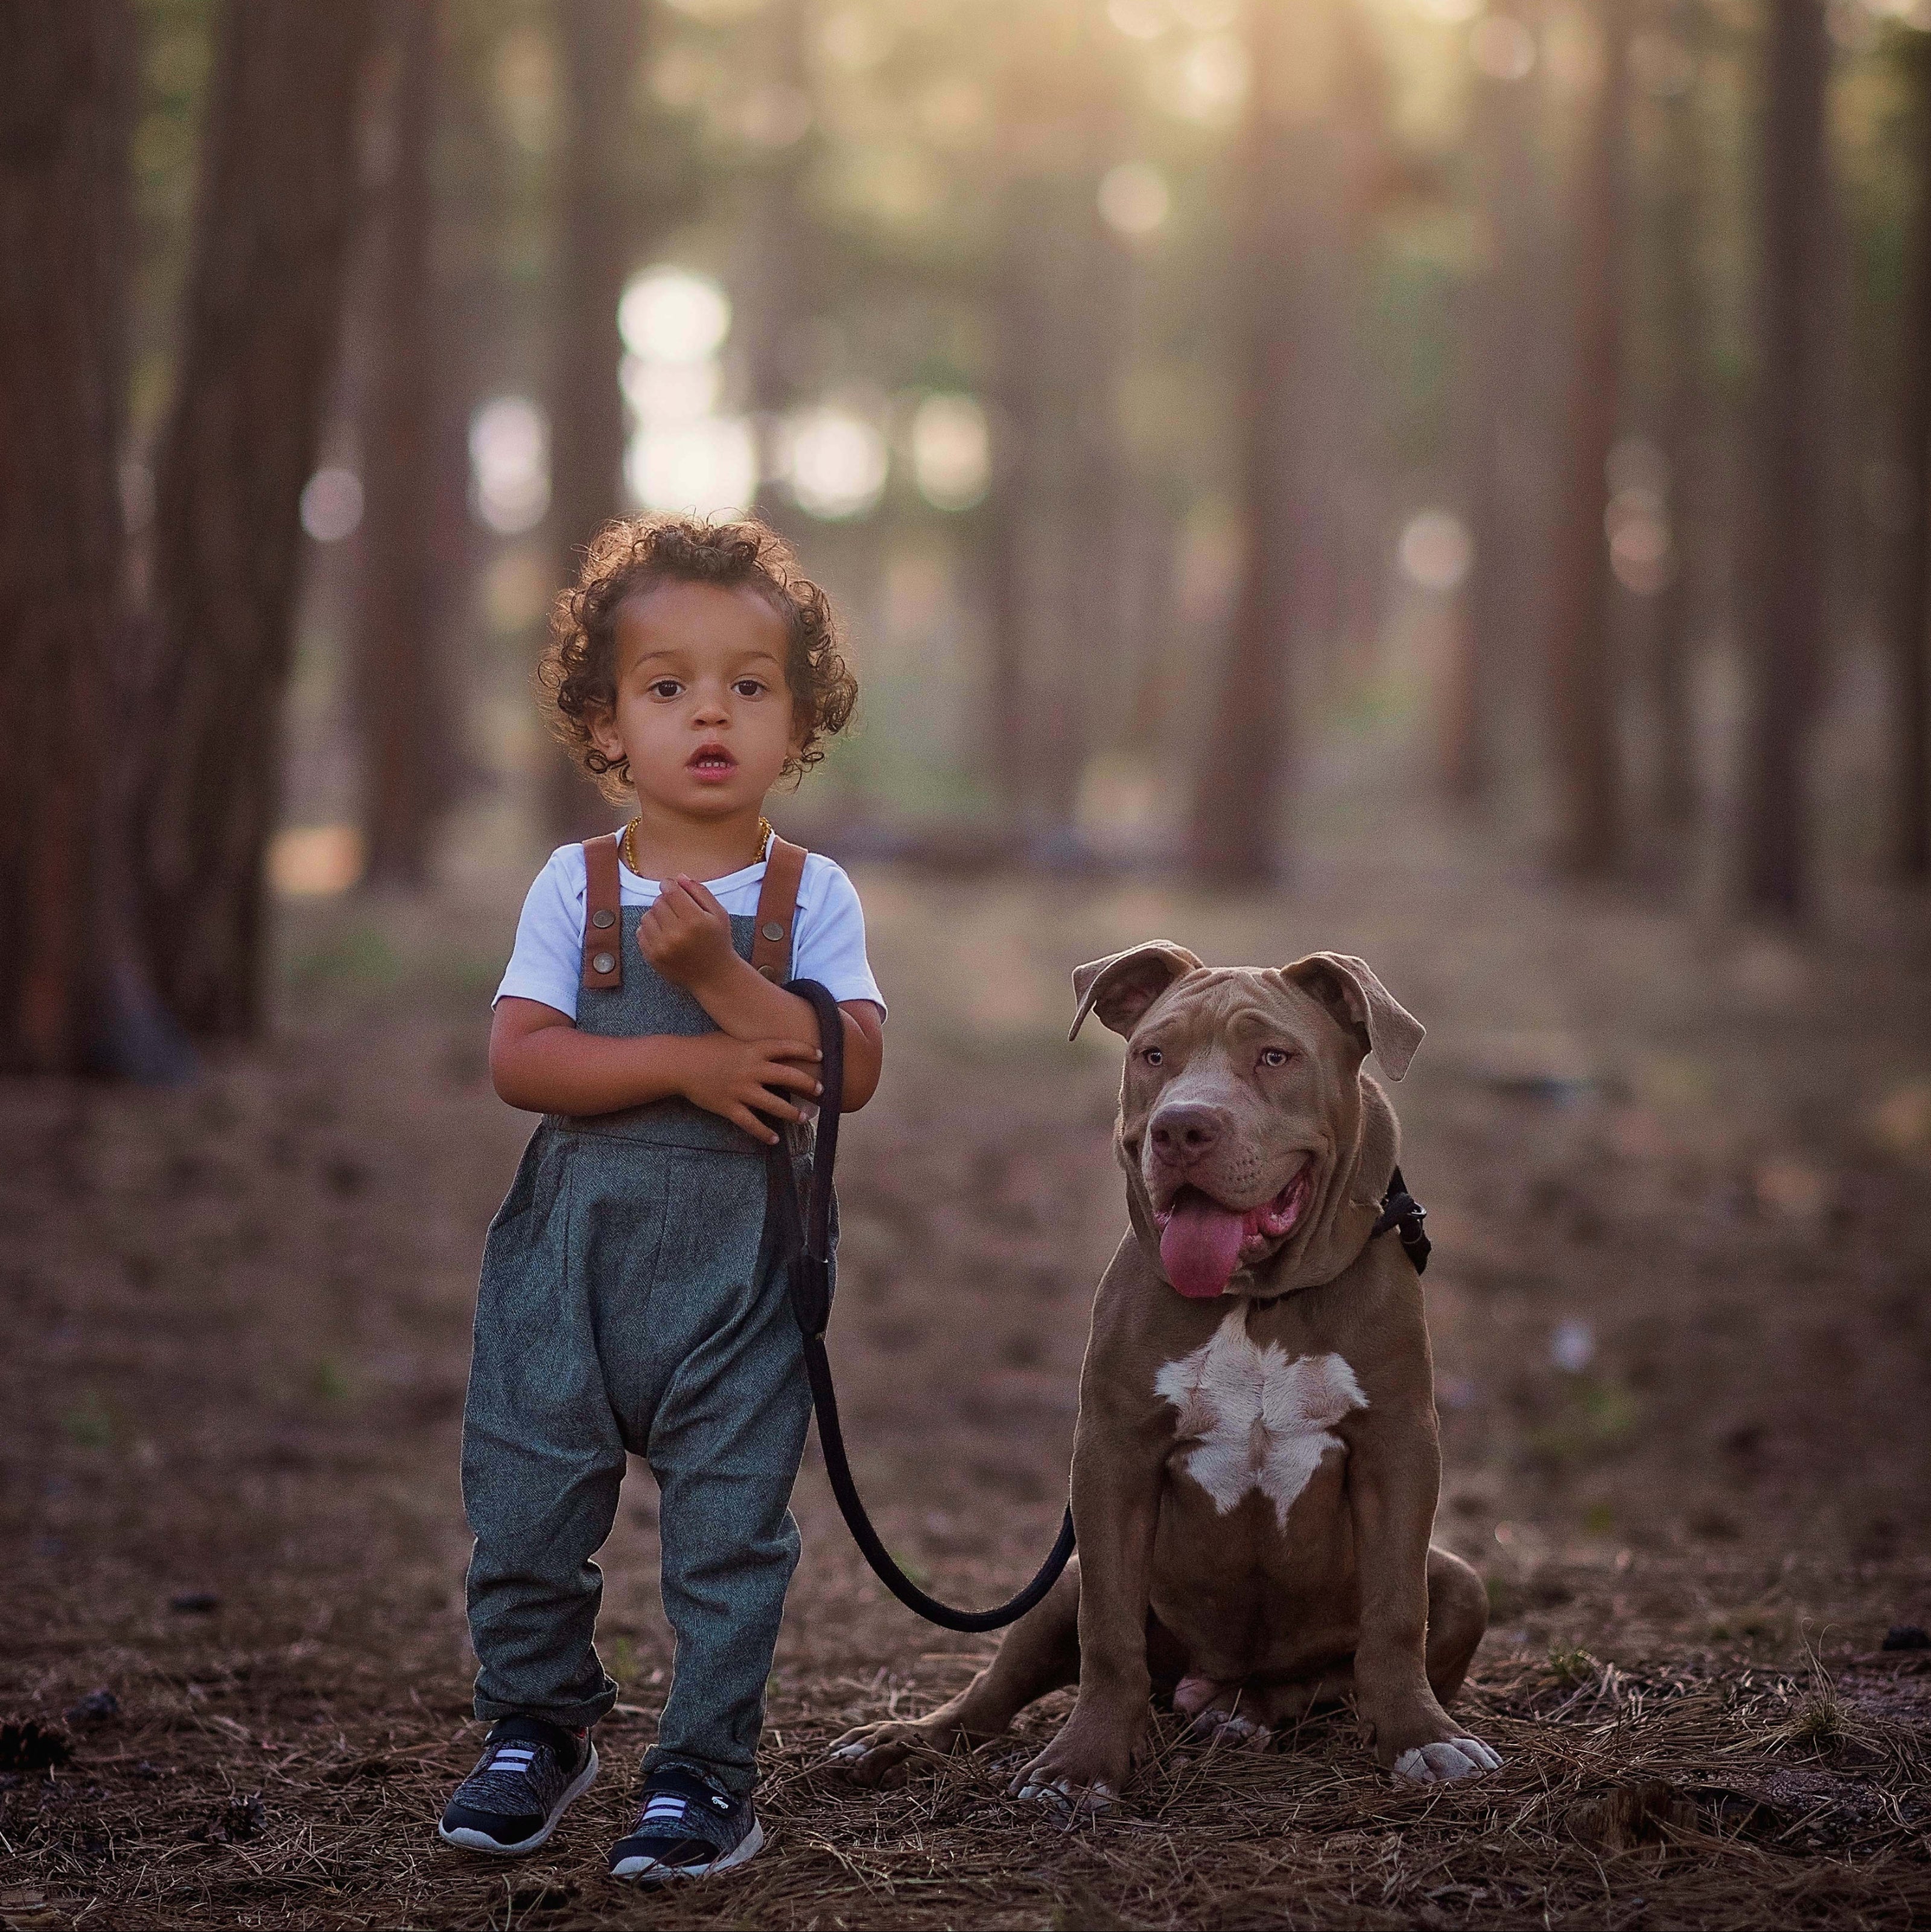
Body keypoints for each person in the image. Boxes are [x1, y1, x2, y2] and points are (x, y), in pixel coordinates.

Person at [436, 516, 885, 1882]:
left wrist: (721, 976)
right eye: (667, 683)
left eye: (750, 685)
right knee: (522, 1500)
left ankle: (704, 1768)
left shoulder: (810, 894)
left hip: (742, 1273)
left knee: (731, 1530)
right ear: (605, 721)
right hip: (569, 1251)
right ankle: (538, 1720)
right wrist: (695, 1052)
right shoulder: (574, 885)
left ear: (798, 719)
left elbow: (848, 1065)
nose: (710, 711)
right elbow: (522, 1055)